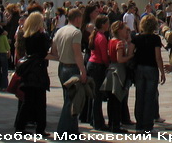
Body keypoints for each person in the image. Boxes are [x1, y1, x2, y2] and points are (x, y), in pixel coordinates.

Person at [15, 12, 54, 136]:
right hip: (38, 70)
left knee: (27, 101)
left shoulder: (26, 35)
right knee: (40, 102)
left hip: (28, 70)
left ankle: (20, 127)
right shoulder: (41, 36)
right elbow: (44, 52)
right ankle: (40, 129)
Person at [50, 8, 87, 136]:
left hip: (62, 66)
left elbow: (54, 51)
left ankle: (72, 130)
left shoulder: (60, 31)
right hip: (72, 67)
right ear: (77, 18)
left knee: (70, 98)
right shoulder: (76, 32)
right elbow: (77, 54)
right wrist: (83, 70)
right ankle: (63, 130)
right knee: (70, 101)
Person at [132, 14, 165, 135]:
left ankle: (139, 125)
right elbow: (158, 57)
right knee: (150, 97)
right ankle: (148, 126)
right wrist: (162, 72)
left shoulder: (136, 38)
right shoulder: (156, 39)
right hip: (151, 68)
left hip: (139, 68)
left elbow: (131, 52)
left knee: (139, 96)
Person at [104, 20, 134, 133]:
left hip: (111, 68)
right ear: (119, 30)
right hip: (118, 69)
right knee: (117, 98)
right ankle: (116, 125)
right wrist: (130, 56)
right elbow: (120, 59)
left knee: (111, 100)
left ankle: (112, 123)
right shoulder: (119, 43)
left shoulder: (111, 40)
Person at [85, 14, 111, 130]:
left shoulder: (95, 35)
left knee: (94, 95)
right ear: (102, 24)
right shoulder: (102, 37)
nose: (108, 25)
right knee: (97, 96)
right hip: (97, 65)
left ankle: (93, 119)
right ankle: (98, 122)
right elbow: (104, 56)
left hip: (91, 64)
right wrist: (107, 66)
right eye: (107, 23)